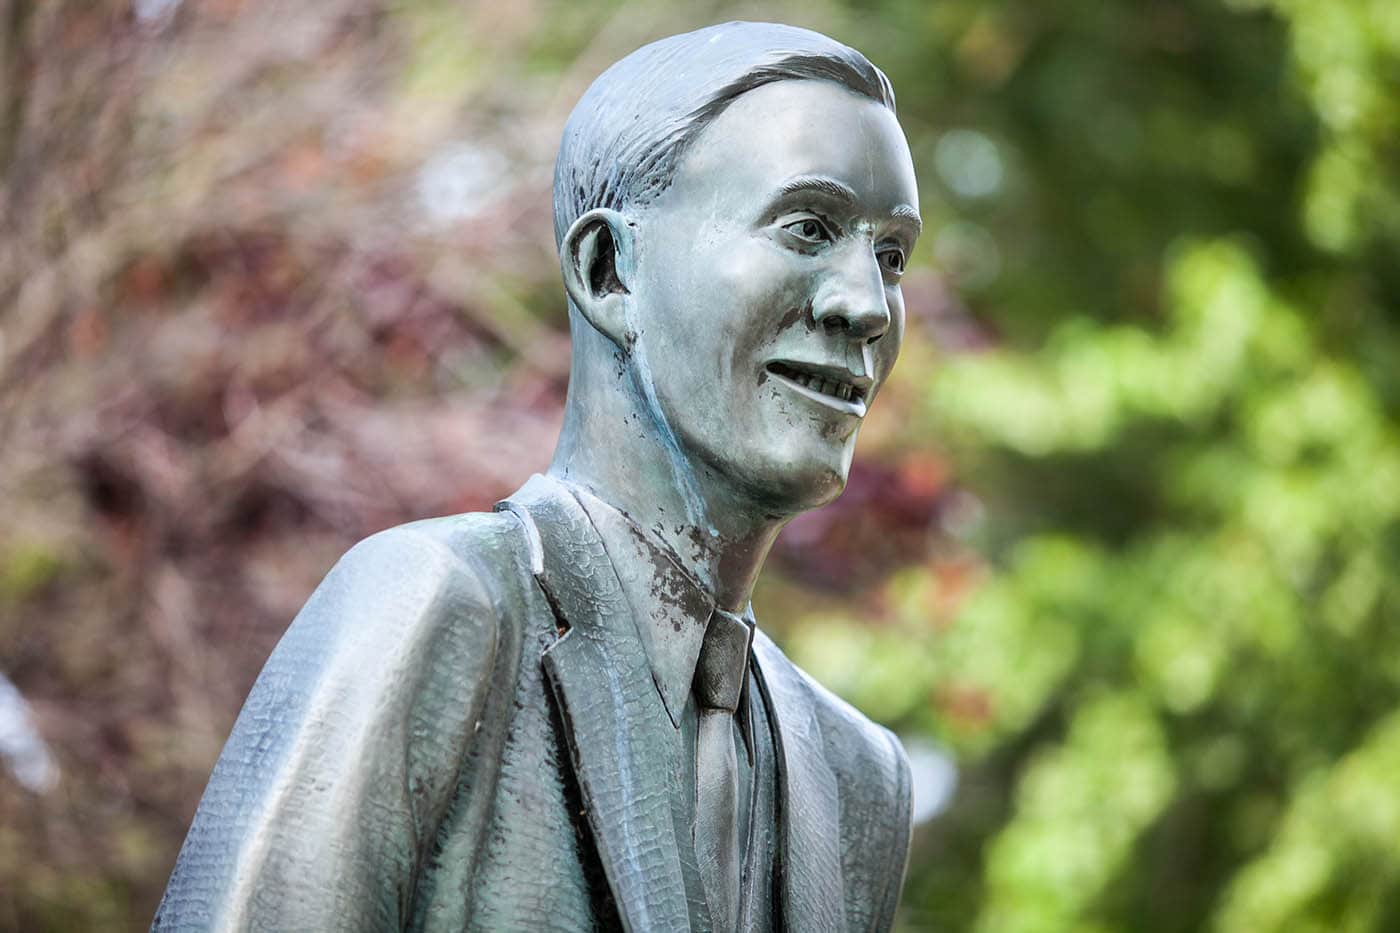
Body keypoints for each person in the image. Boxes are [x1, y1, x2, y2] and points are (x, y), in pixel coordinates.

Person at [155, 21, 920, 932]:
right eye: (807, 228)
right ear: (609, 272)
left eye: (891, 255)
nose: (867, 305)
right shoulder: (436, 612)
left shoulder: (856, 777)